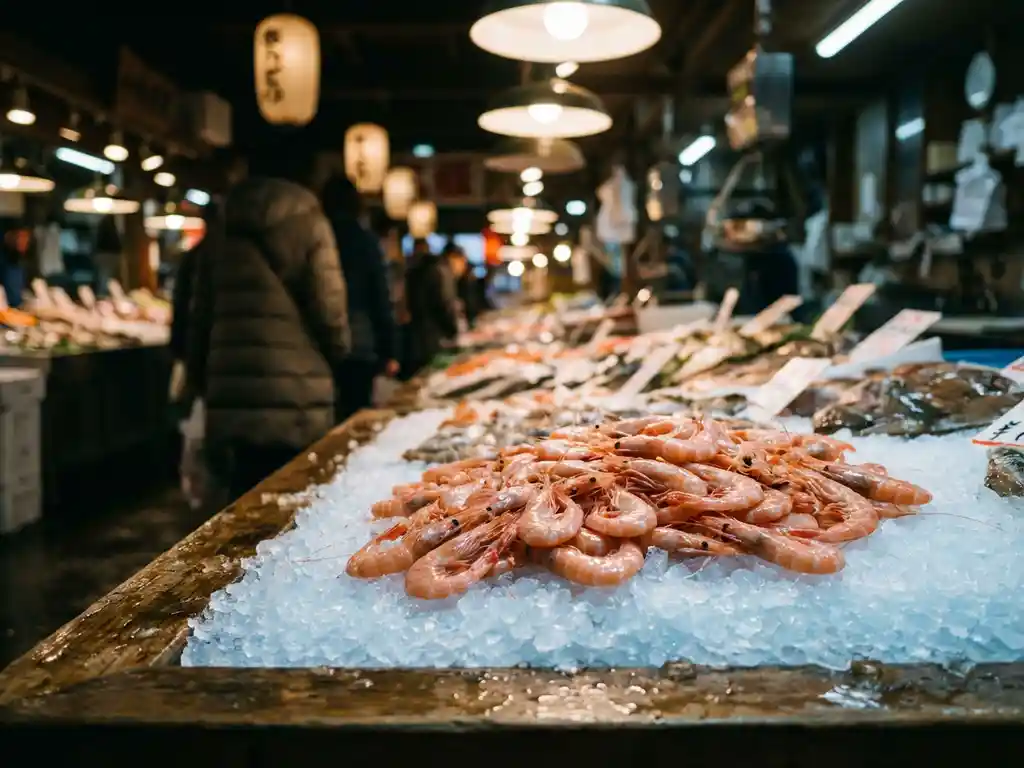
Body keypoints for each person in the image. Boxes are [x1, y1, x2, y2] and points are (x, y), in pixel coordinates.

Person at [187, 147, 351, 500]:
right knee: (297, 507)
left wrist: (203, 381)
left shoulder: (222, 224)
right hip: (297, 394)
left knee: (240, 514)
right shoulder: (309, 219)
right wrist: (339, 355)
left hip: (231, 393)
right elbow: (330, 309)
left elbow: (199, 315)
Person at [320, 174, 399, 421]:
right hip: (359, 342)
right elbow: (380, 297)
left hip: (321, 343)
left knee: (328, 418)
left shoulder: (319, 235)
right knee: (355, 418)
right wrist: (390, 350)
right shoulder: (364, 241)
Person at [404, 238, 458, 375]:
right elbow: (444, 304)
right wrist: (453, 331)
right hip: (433, 337)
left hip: (418, 335)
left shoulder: (413, 269)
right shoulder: (439, 270)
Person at [442, 242, 481, 327]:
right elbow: (445, 309)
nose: (464, 266)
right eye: (462, 261)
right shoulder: (443, 276)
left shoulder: (447, 276)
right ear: (452, 258)